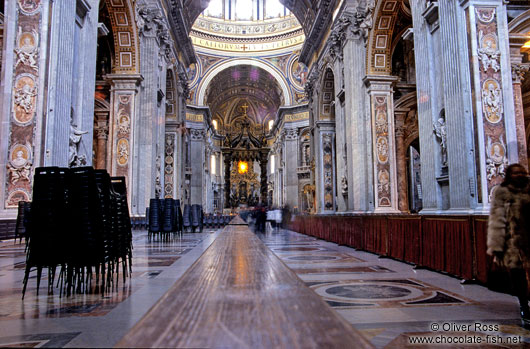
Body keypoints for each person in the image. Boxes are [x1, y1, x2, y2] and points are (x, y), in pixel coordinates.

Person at [487, 163, 530, 327]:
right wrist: (496, 247)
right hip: (513, 243)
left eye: (522, 173)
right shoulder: (501, 192)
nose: (519, 176)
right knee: (518, 276)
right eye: (516, 173)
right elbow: (497, 220)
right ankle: (524, 306)